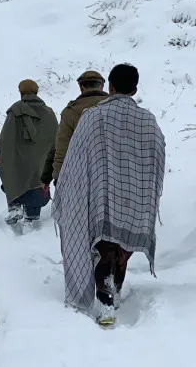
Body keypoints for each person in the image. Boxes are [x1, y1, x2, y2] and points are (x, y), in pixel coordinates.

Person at [53, 64, 165, 326]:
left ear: (111, 87)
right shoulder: (148, 120)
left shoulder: (93, 117)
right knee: (122, 246)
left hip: (102, 192)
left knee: (105, 245)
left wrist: (67, 186)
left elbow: (75, 157)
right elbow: (158, 155)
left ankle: (106, 300)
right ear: (134, 89)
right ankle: (112, 289)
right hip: (135, 192)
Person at [0, 80, 58, 225]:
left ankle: (15, 206)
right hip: (41, 160)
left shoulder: (15, 110)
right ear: (36, 91)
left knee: (11, 174)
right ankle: (31, 218)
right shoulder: (48, 112)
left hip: (18, 158)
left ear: (21, 92)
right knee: (37, 181)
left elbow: (5, 135)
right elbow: (56, 136)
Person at [40, 70, 108, 188]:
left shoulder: (70, 112)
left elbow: (61, 149)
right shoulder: (118, 108)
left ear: (81, 87)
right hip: (115, 175)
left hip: (82, 178)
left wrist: (57, 178)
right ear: (101, 86)